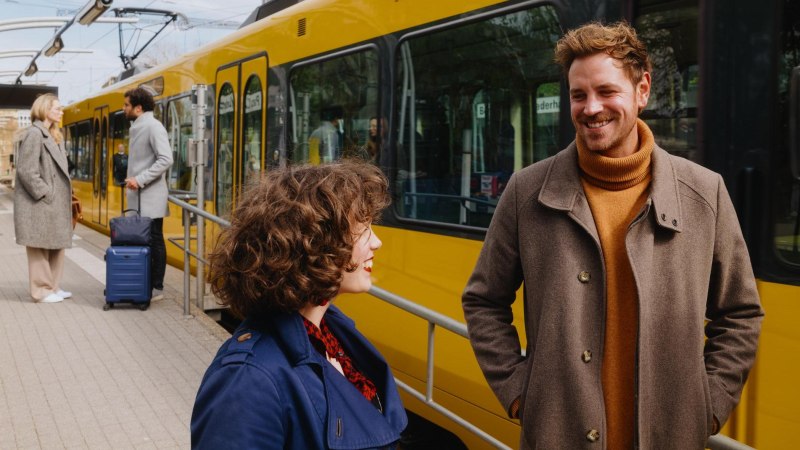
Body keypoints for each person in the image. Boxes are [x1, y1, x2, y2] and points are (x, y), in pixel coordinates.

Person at [461, 21, 764, 449]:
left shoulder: (704, 193)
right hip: (557, 435)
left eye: (606, 91)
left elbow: (740, 313)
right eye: (578, 94)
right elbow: (483, 300)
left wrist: (709, 402)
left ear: (642, 90)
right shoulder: (526, 193)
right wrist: (518, 391)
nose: (590, 108)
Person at [191, 161, 407, 449]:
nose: (377, 242)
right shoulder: (246, 380)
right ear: (314, 242)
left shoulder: (333, 335)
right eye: (363, 228)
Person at [13, 93, 73, 303]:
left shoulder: (54, 134)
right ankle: (41, 290)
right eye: (57, 108)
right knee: (39, 247)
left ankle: (53, 287)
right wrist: (47, 193)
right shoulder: (34, 134)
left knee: (56, 244)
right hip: (41, 202)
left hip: (53, 203)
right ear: (45, 110)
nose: (61, 112)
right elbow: (26, 171)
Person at [123, 87, 173, 302]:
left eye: (126, 105)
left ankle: (156, 287)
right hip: (140, 197)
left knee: (154, 240)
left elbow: (166, 159)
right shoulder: (138, 127)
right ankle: (144, 284)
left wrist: (139, 179)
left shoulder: (153, 127)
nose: (123, 108)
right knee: (144, 241)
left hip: (150, 197)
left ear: (138, 108)